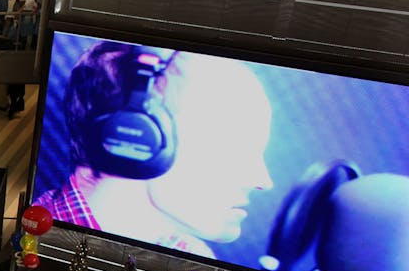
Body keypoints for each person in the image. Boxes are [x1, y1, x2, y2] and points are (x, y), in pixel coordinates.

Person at [32, 44, 273, 259]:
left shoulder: (191, 253)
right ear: (134, 132)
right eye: (235, 147)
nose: (264, 181)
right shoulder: (34, 246)